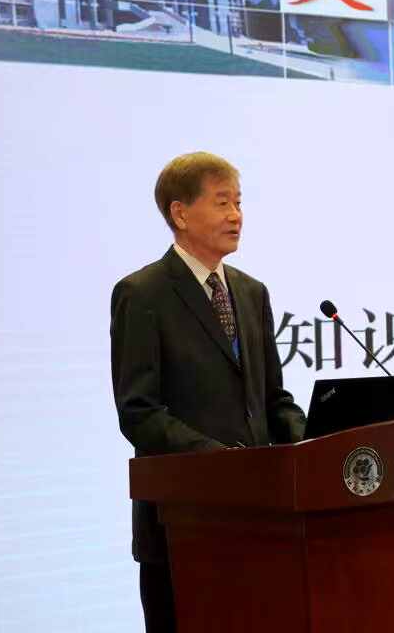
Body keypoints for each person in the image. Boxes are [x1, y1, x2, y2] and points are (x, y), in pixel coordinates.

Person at [110, 152, 305, 633]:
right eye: (222, 203)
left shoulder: (251, 292)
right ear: (180, 213)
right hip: (182, 530)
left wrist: (316, 442)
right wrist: (220, 461)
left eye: (239, 202)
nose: (236, 215)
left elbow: (273, 399)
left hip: (260, 523)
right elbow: (139, 412)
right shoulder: (142, 294)